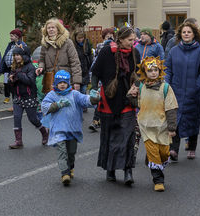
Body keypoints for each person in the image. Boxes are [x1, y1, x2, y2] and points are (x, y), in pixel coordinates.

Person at [91, 26, 140, 184]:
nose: (133, 43)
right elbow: (96, 72)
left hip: (127, 101)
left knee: (128, 137)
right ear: (120, 39)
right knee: (109, 136)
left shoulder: (135, 53)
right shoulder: (106, 52)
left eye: (134, 40)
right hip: (108, 100)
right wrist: (93, 90)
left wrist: (136, 86)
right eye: (130, 40)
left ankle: (128, 171)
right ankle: (110, 169)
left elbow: (139, 75)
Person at [41, 70, 98, 186]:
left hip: (73, 129)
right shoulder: (52, 95)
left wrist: (94, 98)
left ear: (68, 83)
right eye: (60, 82)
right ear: (56, 83)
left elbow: (85, 100)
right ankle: (64, 173)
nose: (62, 84)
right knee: (62, 151)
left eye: (64, 82)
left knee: (71, 152)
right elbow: (44, 106)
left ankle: (70, 167)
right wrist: (57, 105)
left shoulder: (74, 94)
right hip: (58, 129)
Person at [129, 57, 178, 191]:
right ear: (145, 72)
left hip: (162, 126)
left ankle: (150, 159)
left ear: (160, 70)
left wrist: (172, 127)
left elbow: (171, 108)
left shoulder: (166, 88)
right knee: (154, 153)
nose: (153, 73)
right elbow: (135, 102)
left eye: (156, 70)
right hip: (146, 126)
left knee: (164, 153)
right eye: (150, 70)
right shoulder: (140, 85)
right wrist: (131, 95)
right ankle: (158, 180)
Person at [165, 21, 200, 161]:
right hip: (175, 91)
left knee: (192, 120)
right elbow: (168, 69)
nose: (186, 34)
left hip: (193, 92)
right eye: (184, 32)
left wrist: (197, 85)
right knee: (175, 120)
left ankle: (192, 147)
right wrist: (167, 85)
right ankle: (174, 149)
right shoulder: (174, 51)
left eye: (189, 32)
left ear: (194, 34)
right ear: (180, 34)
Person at [8, 46, 49, 149]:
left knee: (33, 119)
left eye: (18, 55)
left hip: (29, 96)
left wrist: (19, 74)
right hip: (18, 96)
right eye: (15, 55)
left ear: (23, 56)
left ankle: (44, 133)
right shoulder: (14, 67)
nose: (16, 57)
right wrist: (11, 80)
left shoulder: (30, 67)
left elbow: (30, 81)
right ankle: (18, 141)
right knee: (17, 117)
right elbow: (12, 83)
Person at [35, 18, 82, 92]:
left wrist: (76, 81)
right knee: (51, 102)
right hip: (51, 81)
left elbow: (75, 63)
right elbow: (41, 60)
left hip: (65, 80)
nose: (51, 30)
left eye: (53, 27)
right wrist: (41, 67)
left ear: (58, 29)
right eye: (48, 28)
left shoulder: (67, 43)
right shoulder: (45, 44)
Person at [0, 29, 28, 104]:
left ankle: (18, 102)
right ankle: (12, 100)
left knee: (16, 85)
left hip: (17, 68)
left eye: (11, 36)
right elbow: (5, 55)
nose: (10, 37)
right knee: (8, 84)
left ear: (16, 36)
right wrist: (1, 67)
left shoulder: (22, 44)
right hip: (8, 68)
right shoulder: (10, 44)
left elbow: (26, 55)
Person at [71, 28, 94, 94]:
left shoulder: (86, 43)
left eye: (82, 38)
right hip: (76, 73)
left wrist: (90, 68)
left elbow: (90, 56)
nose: (81, 40)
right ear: (75, 37)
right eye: (79, 38)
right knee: (76, 93)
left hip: (85, 72)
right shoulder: (72, 45)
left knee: (83, 91)